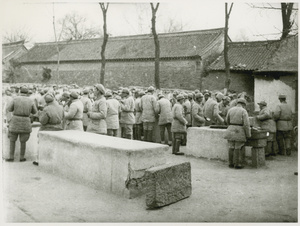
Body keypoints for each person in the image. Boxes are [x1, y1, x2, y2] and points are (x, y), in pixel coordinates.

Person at [6, 86, 38, 162]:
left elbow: (9, 109)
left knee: (12, 140)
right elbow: (34, 112)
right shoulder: (31, 100)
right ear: (27, 92)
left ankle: (11, 157)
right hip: (26, 121)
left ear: (20, 91)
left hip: (15, 120)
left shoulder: (15, 99)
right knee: (23, 141)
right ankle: (21, 157)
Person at [32, 93, 64, 166]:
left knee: (41, 144)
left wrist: (40, 114)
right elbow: (63, 117)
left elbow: (43, 121)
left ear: (46, 101)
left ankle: (39, 160)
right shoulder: (60, 107)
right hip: (59, 128)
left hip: (47, 128)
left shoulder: (46, 109)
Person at [224, 98, 251, 169]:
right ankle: (237, 164)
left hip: (231, 129)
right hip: (239, 130)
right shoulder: (243, 111)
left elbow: (227, 120)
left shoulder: (230, 109)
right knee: (238, 147)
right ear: (244, 104)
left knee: (231, 146)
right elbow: (246, 124)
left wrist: (231, 126)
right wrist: (248, 134)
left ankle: (230, 163)